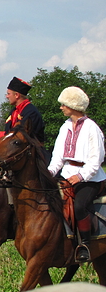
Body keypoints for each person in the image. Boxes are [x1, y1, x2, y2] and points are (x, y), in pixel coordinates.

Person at [47, 86, 106, 262]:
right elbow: (58, 155)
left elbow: (97, 160)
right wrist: (49, 173)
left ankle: (85, 245)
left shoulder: (91, 128)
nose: (61, 107)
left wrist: (80, 177)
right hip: (66, 173)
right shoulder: (64, 127)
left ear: (73, 106)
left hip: (91, 178)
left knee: (80, 205)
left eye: (64, 104)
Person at [0, 76, 45, 146]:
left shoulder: (31, 112)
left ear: (16, 95)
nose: (7, 96)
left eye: (8, 94)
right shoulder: (14, 111)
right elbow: (9, 132)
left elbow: (21, 136)